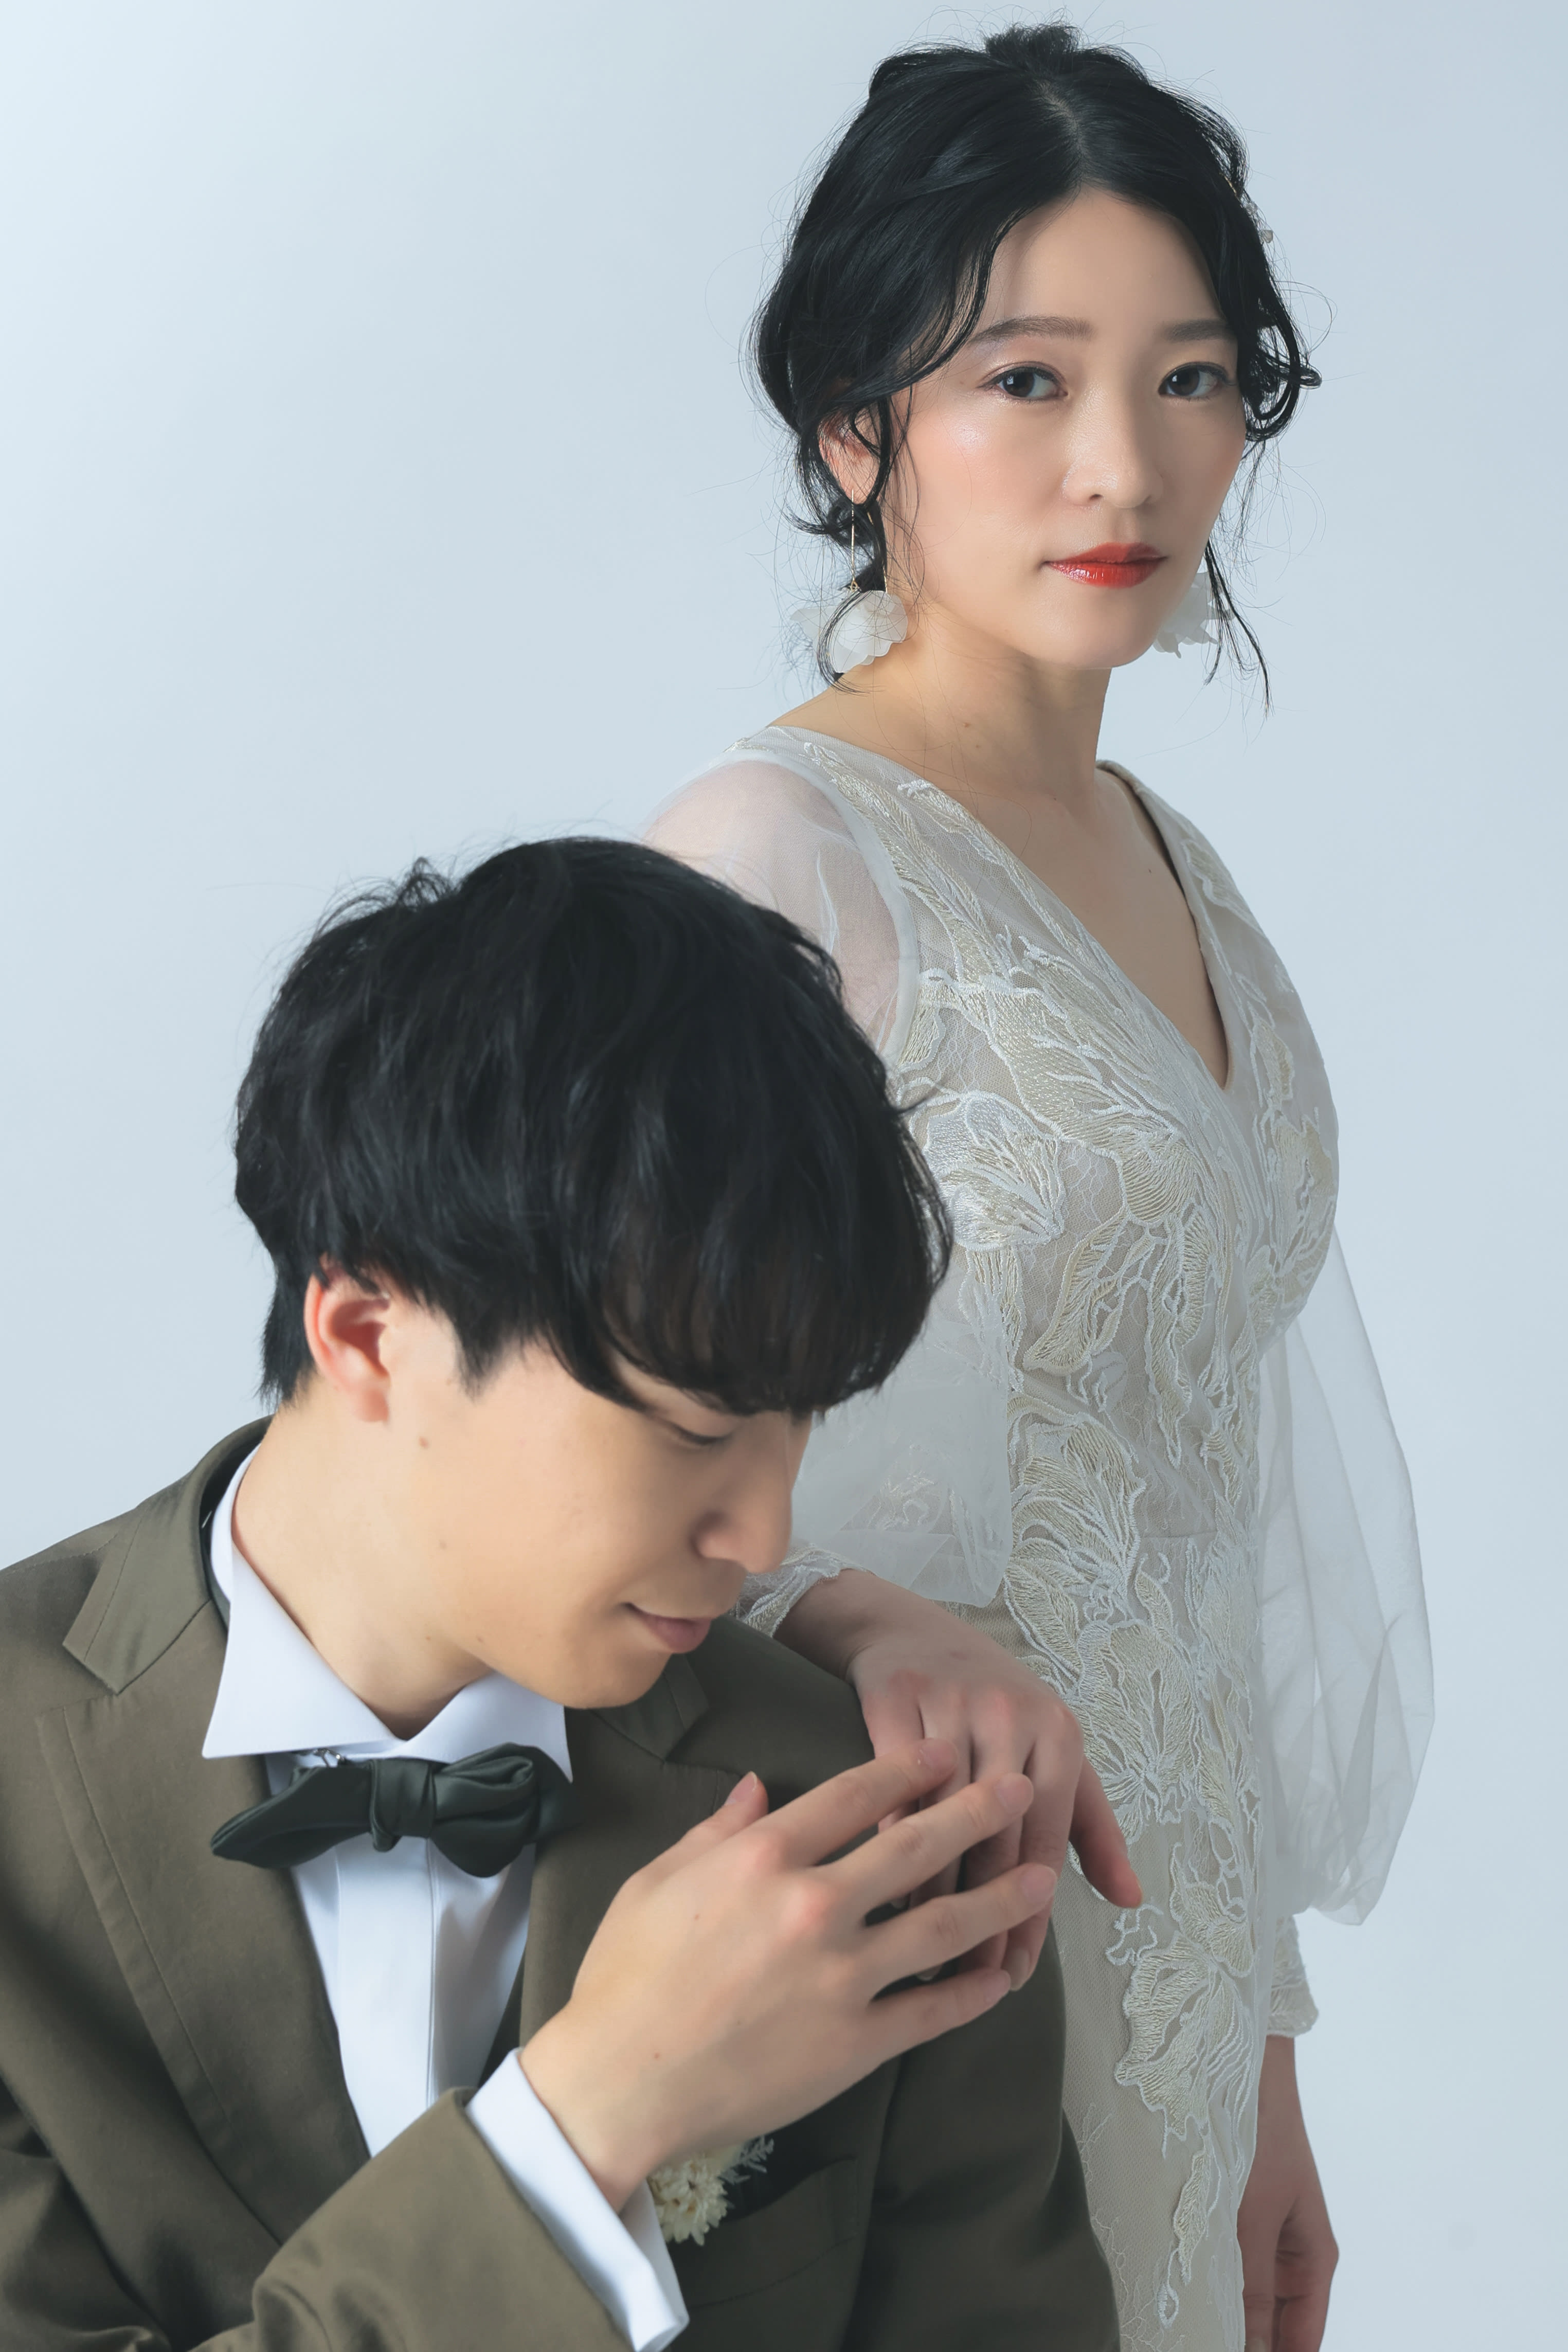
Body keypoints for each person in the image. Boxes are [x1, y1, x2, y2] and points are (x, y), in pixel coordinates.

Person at [646, 24, 1433, 2352]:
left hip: (1173, 1948)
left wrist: (1260, 2056)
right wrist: (858, 1625)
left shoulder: (1182, 871)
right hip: (914, 1917)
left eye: (1190, 378)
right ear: (850, 423)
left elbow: (1209, 1495)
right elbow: (603, 1466)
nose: (1124, 463)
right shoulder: (768, 866)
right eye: (1025, 378)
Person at [0, 839, 1121, 2350]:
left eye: (800, 1423)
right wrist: (587, 2125)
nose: (765, 1530)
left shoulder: (876, 1824)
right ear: (369, 1334)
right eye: (698, 1431)